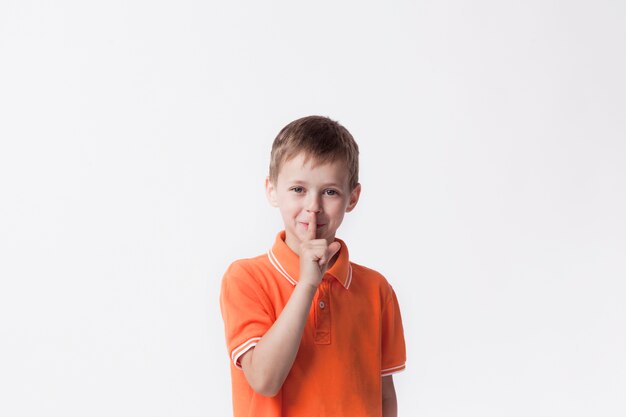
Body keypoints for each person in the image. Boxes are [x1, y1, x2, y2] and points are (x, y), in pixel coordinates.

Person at [219, 115, 406, 417]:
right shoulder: (246, 278)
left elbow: (385, 396)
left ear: (352, 198)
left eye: (330, 191)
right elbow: (264, 380)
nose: (313, 206)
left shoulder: (376, 289)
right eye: (298, 190)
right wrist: (307, 285)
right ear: (272, 190)